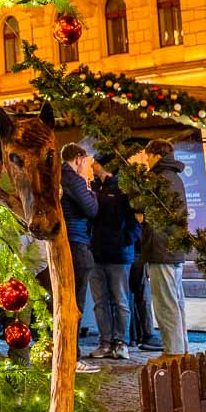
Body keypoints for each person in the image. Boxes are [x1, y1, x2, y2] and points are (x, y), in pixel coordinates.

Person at [134, 139, 190, 356]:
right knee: (176, 302)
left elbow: (141, 208)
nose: (146, 160)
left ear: (156, 155)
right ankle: (181, 349)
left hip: (161, 249)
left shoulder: (158, 179)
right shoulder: (174, 177)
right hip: (173, 249)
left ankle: (173, 353)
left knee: (165, 304)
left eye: (148, 155)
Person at [89, 171, 141, 360]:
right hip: (96, 254)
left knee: (120, 301)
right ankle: (105, 342)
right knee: (100, 302)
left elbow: (137, 221)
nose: (92, 165)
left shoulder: (125, 189)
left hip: (120, 255)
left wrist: (124, 240)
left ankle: (120, 342)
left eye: (96, 162)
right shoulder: (92, 187)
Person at [59, 143, 100, 366]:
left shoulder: (58, 177)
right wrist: (90, 190)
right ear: (78, 159)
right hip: (76, 242)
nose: (87, 167)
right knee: (76, 302)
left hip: (67, 242)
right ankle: (72, 354)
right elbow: (92, 210)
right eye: (86, 163)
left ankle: (68, 351)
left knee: (68, 298)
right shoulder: (73, 180)